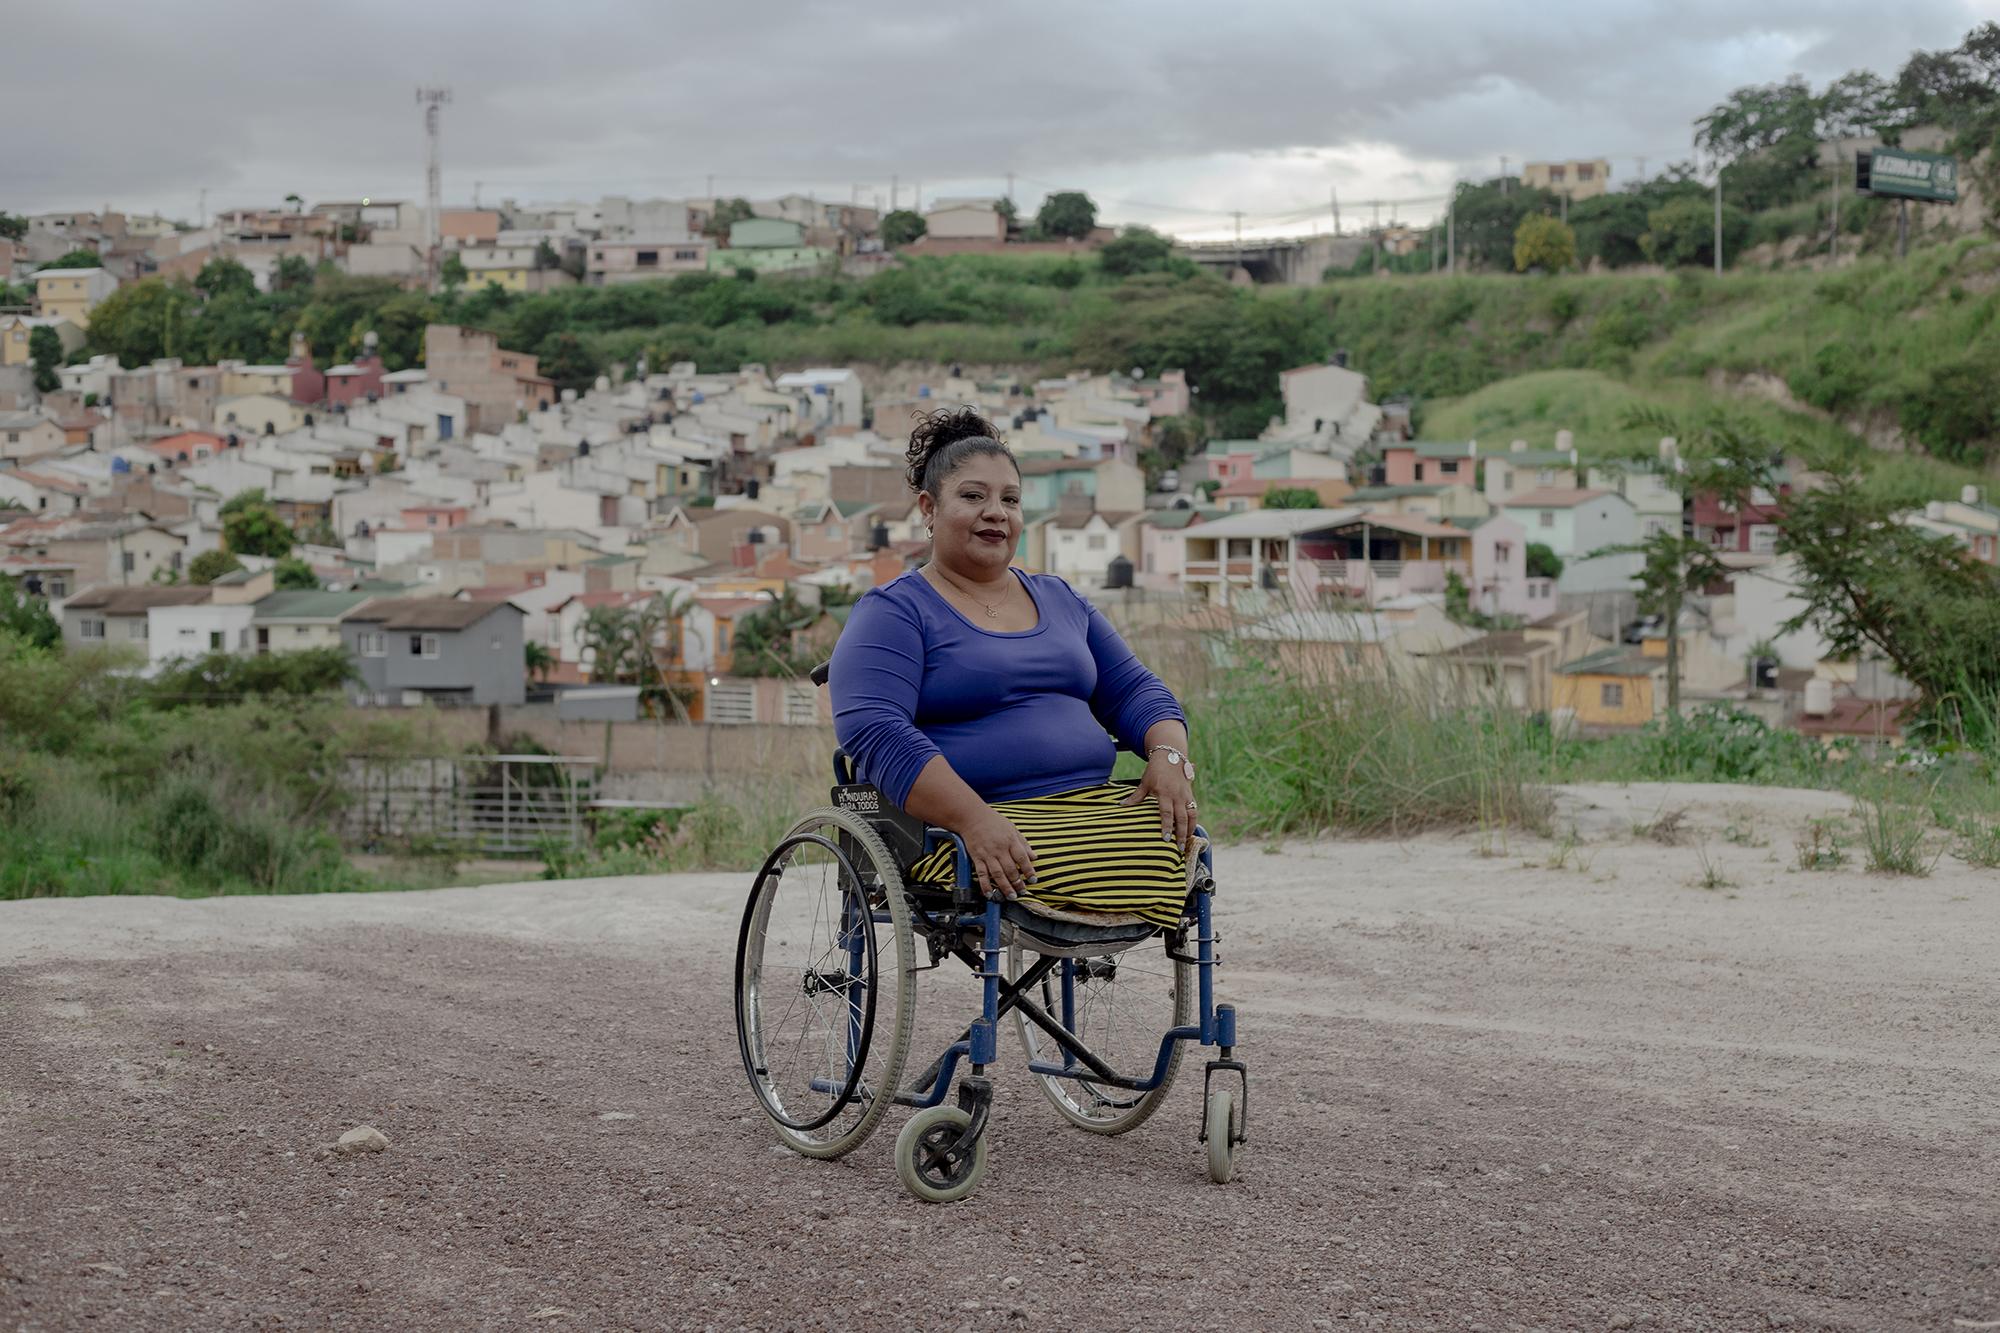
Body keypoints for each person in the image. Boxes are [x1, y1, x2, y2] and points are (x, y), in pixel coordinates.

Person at [829, 406, 1197, 926]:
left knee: (1177, 846)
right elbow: (874, 731)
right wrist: (974, 819)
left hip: (1088, 812)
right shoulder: (893, 611)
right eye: (973, 496)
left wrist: (1169, 757)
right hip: (965, 823)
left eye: (1010, 499)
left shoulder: (1063, 600)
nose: (996, 512)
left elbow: (1137, 692)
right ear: (929, 508)